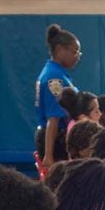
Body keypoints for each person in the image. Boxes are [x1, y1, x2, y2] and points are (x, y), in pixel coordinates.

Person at [35, 24, 81, 169]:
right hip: (55, 142)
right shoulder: (54, 77)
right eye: (75, 52)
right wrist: (49, 156)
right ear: (60, 50)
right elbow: (53, 119)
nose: (78, 57)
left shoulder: (57, 73)